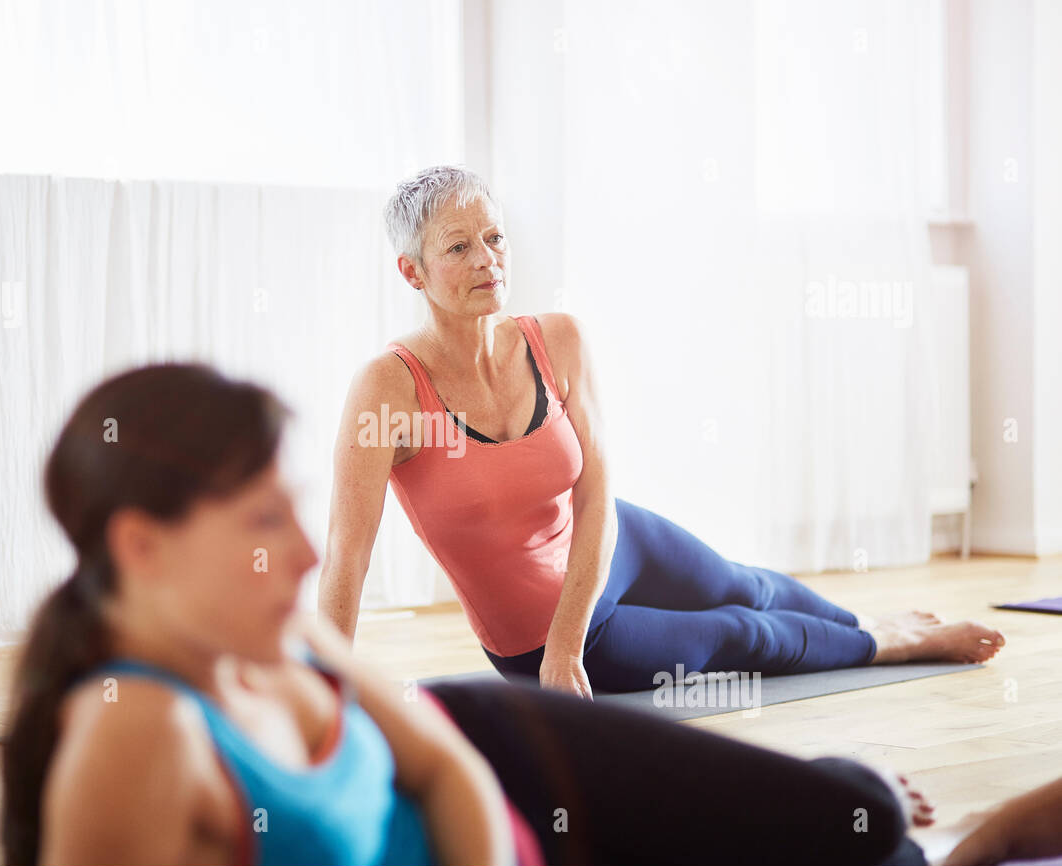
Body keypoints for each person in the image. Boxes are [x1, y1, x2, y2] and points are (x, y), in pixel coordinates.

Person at [0, 361, 931, 866]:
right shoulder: (137, 739)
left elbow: (447, 769)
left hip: (506, 745)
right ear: (139, 546)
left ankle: (854, 780)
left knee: (853, 820)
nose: (306, 550)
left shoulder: (277, 631)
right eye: (262, 520)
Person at [318, 164, 1006, 698]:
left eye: (495, 238)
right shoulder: (390, 386)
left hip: (605, 541)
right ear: (411, 270)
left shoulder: (556, 339)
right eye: (459, 247)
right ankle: (896, 644)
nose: (488, 260)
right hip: (537, 634)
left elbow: (595, 490)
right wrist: (326, 693)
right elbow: (348, 553)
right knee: (744, 633)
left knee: (747, 583)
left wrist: (570, 635)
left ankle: (858, 623)